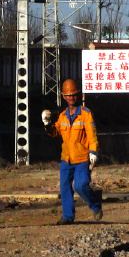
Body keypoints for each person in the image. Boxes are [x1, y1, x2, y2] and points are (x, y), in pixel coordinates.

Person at [42, 79, 103, 224]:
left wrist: (93, 152)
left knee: (80, 185)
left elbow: (92, 134)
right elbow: (55, 132)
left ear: (79, 95)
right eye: (68, 95)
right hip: (66, 158)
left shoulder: (86, 114)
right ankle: (68, 216)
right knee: (65, 187)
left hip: (82, 158)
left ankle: (95, 205)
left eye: (74, 94)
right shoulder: (62, 115)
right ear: (64, 96)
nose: (71, 98)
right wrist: (47, 123)